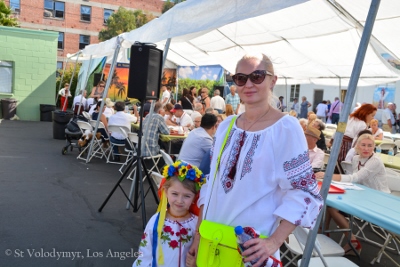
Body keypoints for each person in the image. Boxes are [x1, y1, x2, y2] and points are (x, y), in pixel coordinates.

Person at [188, 53, 323, 266]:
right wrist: (198, 235)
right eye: (241, 78)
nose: (248, 84)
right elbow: (210, 184)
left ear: (273, 80)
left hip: (249, 252)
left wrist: (273, 242)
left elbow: (304, 191)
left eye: (257, 76)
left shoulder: (285, 128)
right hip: (211, 242)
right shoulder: (225, 126)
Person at [315, 133, 390, 255]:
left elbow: (355, 178)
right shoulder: (356, 159)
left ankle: (352, 241)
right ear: (357, 146)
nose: (366, 148)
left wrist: (328, 176)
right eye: (363, 145)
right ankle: (324, 232)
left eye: (370, 145)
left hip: (379, 199)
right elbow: (357, 182)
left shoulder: (375, 161)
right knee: (331, 203)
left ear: (374, 147)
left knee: (333, 208)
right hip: (363, 194)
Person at [133, 161, 205, 267]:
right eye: (175, 194)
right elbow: (145, 252)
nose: (180, 201)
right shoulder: (155, 221)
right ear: (166, 192)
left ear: (195, 197)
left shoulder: (196, 224)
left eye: (187, 196)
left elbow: (202, 252)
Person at [335, 103, 377, 172]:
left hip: (338, 143)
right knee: (344, 168)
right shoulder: (362, 124)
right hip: (347, 146)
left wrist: (332, 140)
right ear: (366, 113)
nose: (373, 118)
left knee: (337, 166)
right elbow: (357, 141)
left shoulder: (348, 117)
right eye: (372, 115)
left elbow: (338, 130)